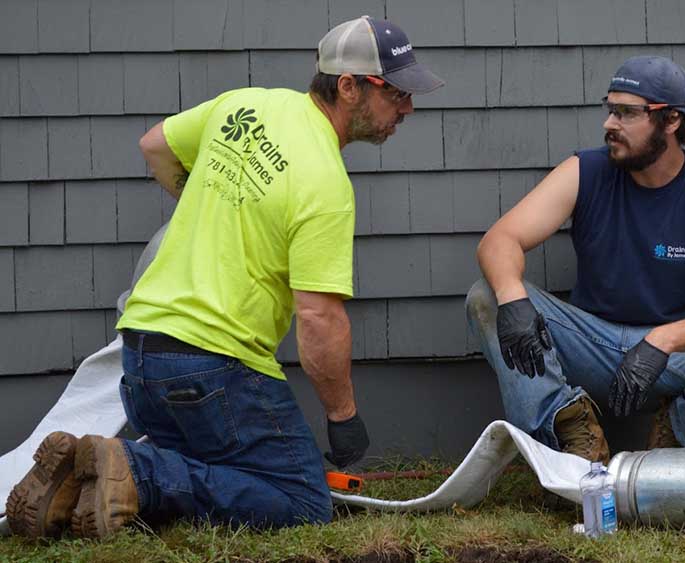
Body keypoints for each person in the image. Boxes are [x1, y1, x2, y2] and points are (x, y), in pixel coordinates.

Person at [6, 16, 443, 538]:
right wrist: (344, 419)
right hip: (212, 372)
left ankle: (79, 484)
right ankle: (140, 472)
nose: (408, 109)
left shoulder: (246, 104)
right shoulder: (326, 183)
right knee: (303, 500)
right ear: (348, 87)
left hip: (141, 361)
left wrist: (214, 204)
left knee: (218, 470)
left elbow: (154, 146)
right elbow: (319, 318)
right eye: (395, 93)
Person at [466, 56, 685, 464]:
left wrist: (663, 340)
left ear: (671, 121)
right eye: (611, 110)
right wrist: (512, 298)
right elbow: (500, 239)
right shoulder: (586, 171)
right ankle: (573, 435)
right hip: (592, 343)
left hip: (677, 356)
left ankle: (676, 439)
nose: (611, 124)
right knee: (486, 296)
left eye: (628, 113)